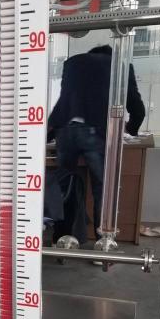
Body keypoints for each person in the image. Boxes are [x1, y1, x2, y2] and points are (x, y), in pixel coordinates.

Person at [48, 44, 145, 238]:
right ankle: (103, 243)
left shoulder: (73, 63)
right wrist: (131, 129)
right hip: (95, 132)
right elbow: (136, 106)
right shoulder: (120, 67)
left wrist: (48, 136)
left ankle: (62, 240)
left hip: (65, 131)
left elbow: (63, 102)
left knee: (65, 186)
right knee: (103, 190)